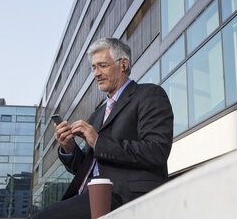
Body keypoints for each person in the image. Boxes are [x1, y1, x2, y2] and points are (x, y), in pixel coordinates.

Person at [31, 38, 173, 218]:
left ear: (123, 65)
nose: (96, 73)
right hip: (90, 196)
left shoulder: (149, 95)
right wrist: (69, 147)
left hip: (126, 195)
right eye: (94, 67)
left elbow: (156, 151)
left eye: (103, 66)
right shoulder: (97, 115)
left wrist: (98, 141)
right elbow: (87, 167)